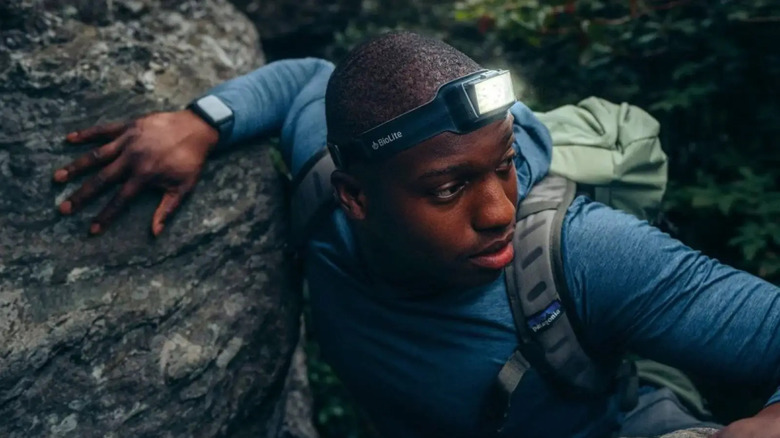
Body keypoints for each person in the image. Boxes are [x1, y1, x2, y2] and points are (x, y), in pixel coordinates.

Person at [52, 31, 779, 438]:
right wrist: (202, 120)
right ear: (354, 196)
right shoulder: (326, 174)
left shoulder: (587, 254)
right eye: (449, 188)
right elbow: (311, 78)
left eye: (504, 167)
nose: (500, 210)